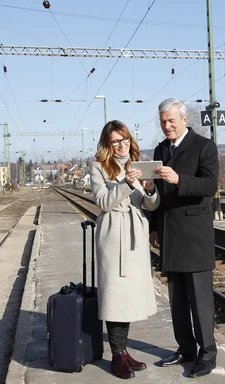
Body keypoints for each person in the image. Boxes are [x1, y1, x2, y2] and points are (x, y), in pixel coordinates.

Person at [149, 98, 219, 378]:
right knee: (177, 301)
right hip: (169, 233)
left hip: (195, 236)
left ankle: (208, 354)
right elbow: (158, 193)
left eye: (171, 121)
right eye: (163, 122)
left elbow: (211, 185)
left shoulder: (204, 147)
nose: (167, 126)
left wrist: (179, 180)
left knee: (200, 301)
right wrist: (154, 227)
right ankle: (186, 348)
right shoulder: (159, 149)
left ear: (184, 119)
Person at [90, 120, 160, 379]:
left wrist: (150, 189)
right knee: (115, 295)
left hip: (135, 235)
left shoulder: (137, 166)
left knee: (127, 296)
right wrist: (127, 184)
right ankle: (116, 355)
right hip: (114, 235)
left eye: (125, 139)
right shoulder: (98, 167)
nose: (122, 145)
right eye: (116, 141)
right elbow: (103, 202)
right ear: (108, 144)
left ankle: (123, 350)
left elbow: (149, 206)